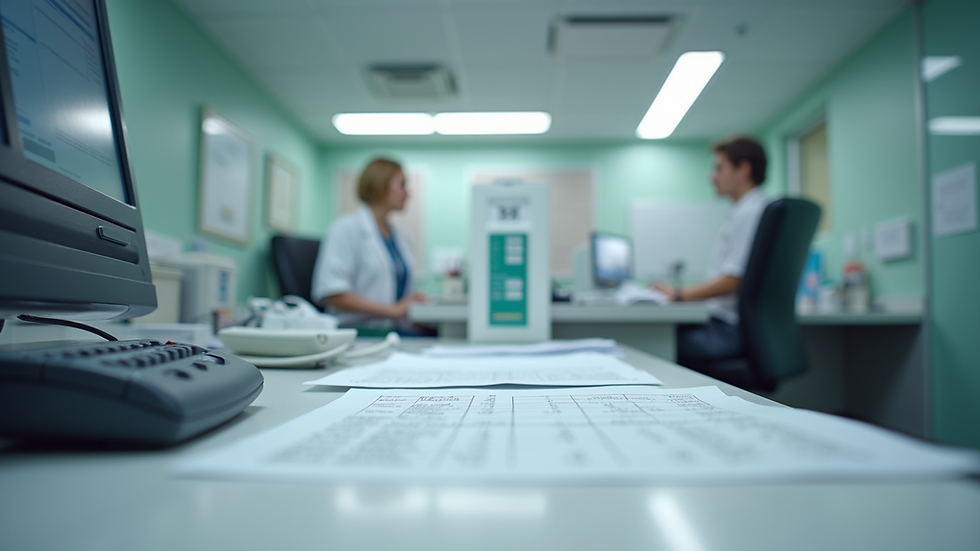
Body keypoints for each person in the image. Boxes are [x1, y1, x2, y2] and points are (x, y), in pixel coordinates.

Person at [653, 135, 770, 371]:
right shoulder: (749, 209)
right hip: (738, 327)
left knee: (652, 341)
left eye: (719, 168)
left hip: (729, 331)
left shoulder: (751, 213)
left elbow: (733, 280)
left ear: (743, 169)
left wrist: (678, 294)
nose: (712, 177)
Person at [311, 158, 427, 330]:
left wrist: (411, 303)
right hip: (358, 331)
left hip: (395, 329)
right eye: (402, 184)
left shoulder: (402, 237)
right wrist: (393, 310)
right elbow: (332, 292)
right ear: (380, 184)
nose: (408, 193)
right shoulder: (345, 228)